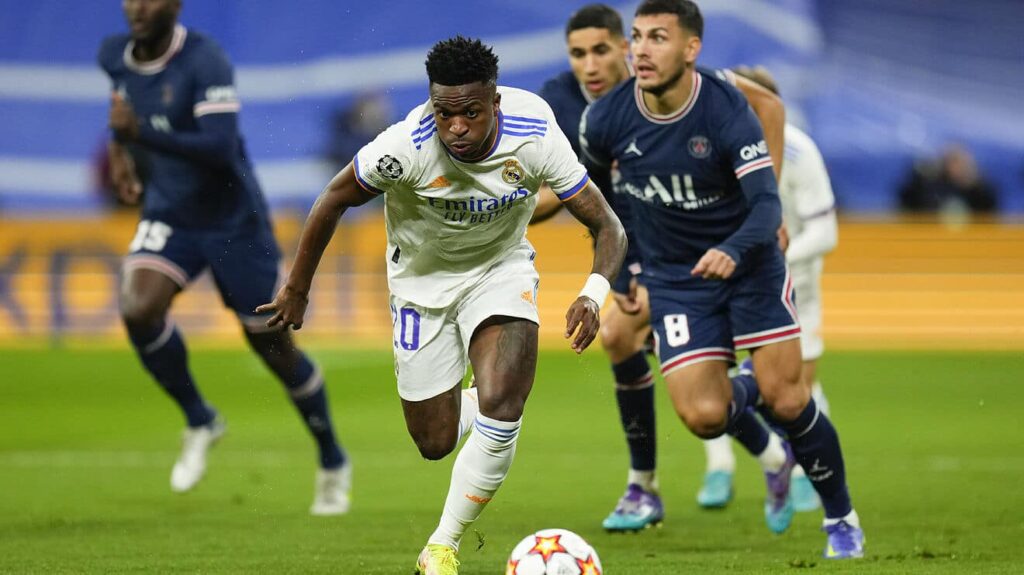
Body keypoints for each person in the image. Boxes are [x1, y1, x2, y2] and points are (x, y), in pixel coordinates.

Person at [257, 36, 626, 575]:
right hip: (420, 286)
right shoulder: (405, 146)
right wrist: (297, 287)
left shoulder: (535, 131)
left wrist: (593, 294)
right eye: (444, 113)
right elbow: (334, 198)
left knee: (505, 403)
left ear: (495, 102)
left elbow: (607, 225)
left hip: (500, 271)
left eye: (470, 113)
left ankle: (441, 547)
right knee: (435, 441)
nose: (455, 127)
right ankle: (468, 404)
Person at [580, 0, 864, 558]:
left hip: (749, 267)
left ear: (692, 49)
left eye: (658, 38)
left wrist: (733, 249)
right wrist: (626, 268)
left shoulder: (726, 107)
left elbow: (766, 206)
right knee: (704, 417)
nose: (641, 50)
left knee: (789, 401)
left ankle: (841, 519)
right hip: (676, 280)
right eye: (637, 37)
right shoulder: (605, 120)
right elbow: (602, 204)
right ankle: (760, 389)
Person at [535, 4, 794, 533]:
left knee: (638, 346)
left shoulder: (679, 85)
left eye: (602, 50)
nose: (590, 65)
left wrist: (768, 202)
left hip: (697, 248)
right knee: (640, 352)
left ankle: (650, 484)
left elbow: (769, 105)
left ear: (625, 49)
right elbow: (567, 192)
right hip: (634, 248)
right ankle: (754, 457)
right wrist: (504, 208)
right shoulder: (559, 103)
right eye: (578, 54)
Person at [98, 0, 350, 515]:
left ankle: (331, 458)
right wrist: (122, 155)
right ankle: (200, 418)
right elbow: (121, 107)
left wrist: (137, 135)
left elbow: (218, 145)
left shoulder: (204, 60)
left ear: (175, 5)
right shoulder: (113, 55)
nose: (137, 7)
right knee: (138, 308)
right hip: (170, 214)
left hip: (233, 222)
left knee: (272, 348)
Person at [700, 65, 840, 513]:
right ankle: (719, 466)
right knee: (708, 375)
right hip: (724, 279)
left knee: (796, 384)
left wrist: (774, 259)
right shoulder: (708, 146)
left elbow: (826, 231)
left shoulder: (800, 152)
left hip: (793, 285)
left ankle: (801, 471)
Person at [898, 144, 999, 218]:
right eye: (952, 160)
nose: (955, 167)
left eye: (959, 161)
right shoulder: (932, 186)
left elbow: (989, 211)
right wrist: (919, 177)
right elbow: (908, 201)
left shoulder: (974, 190)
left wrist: (977, 185)